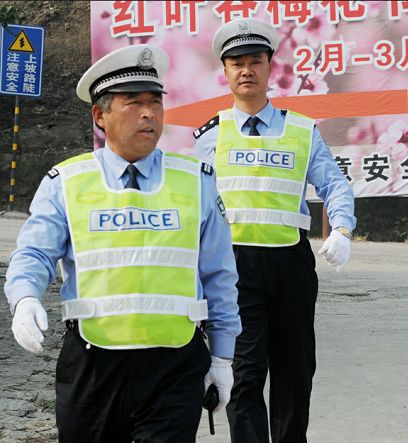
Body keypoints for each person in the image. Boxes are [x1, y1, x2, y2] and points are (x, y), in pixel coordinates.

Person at [4, 44, 241, 443]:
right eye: (134, 103)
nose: (149, 113)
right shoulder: (67, 183)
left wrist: (222, 357)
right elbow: (34, 252)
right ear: (100, 115)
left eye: (155, 102)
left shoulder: (195, 181)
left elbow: (220, 274)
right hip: (93, 365)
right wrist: (25, 298)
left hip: (175, 365)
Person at [194, 18, 356, 443]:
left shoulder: (301, 131)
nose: (246, 70)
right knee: (243, 375)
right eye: (237, 63)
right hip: (233, 268)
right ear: (225, 72)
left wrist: (341, 228)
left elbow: (335, 184)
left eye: (255, 61)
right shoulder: (209, 136)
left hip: (290, 264)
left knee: (294, 372)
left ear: (270, 68)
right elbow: (195, 205)